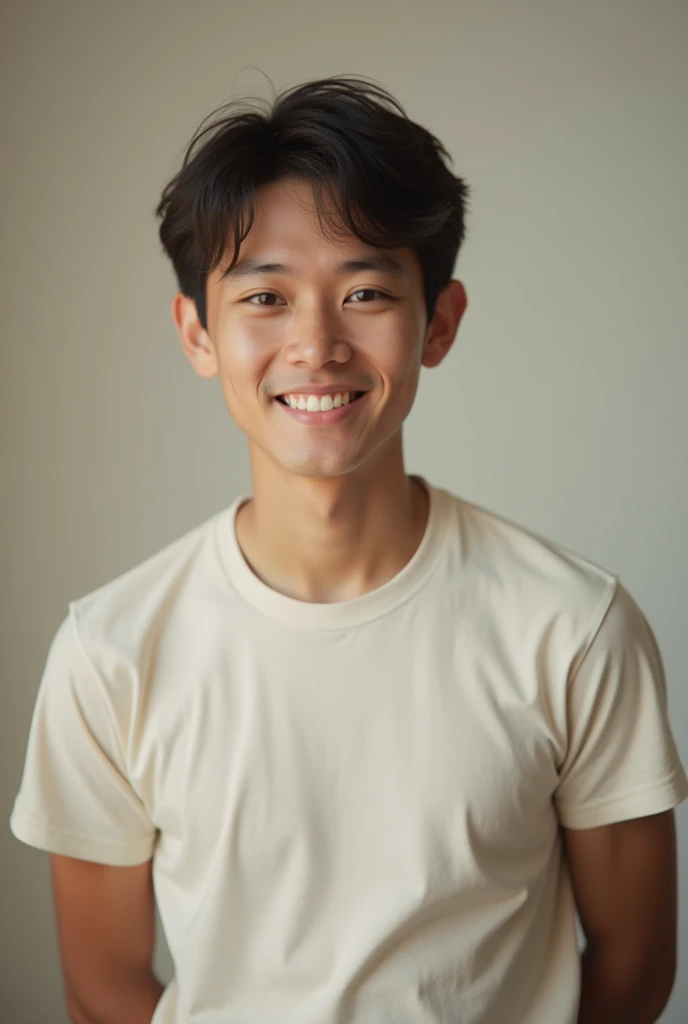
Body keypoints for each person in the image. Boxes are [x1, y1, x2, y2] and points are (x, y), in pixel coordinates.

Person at [9, 74, 688, 1024]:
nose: (317, 343)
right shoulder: (110, 653)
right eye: (267, 299)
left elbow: (635, 969)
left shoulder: (573, 627)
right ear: (198, 334)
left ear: (438, 323)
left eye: (366, 291)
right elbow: (101, 987)